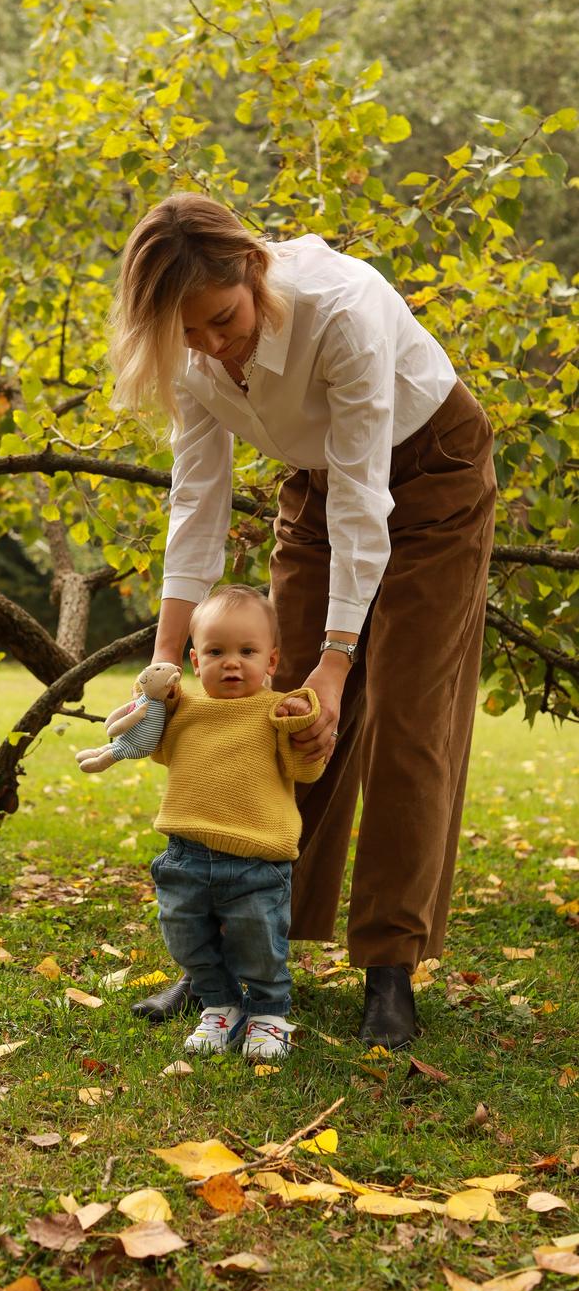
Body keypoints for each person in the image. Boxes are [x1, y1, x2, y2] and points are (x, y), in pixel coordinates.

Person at [108, 192, 497, 1049]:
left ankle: (389, 966)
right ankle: (241, 957)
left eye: (221, 321)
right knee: (281, 717)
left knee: (405, 718)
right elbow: (198, 502)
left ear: (251, 270)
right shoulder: (192, 343)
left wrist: (335, 659)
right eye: (189, 335)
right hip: (319, 485)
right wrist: (165, 661)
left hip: (431, 473)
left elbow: (369, 502)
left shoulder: (343, 309)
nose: (210, 346)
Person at [143, 585, 324, 1059]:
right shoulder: (184, 709)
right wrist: (150, 707)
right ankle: (219, 1003)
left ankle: (268, 1011)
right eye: (216, 651)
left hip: (256, 858)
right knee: (184, 934)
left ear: (272, 660)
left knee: (260, 940)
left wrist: (298, 724)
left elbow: (306, 770)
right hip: (185, 851)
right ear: (195, 662)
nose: (231, 663)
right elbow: (159, 750)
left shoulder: (277, 709)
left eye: (247, 651)